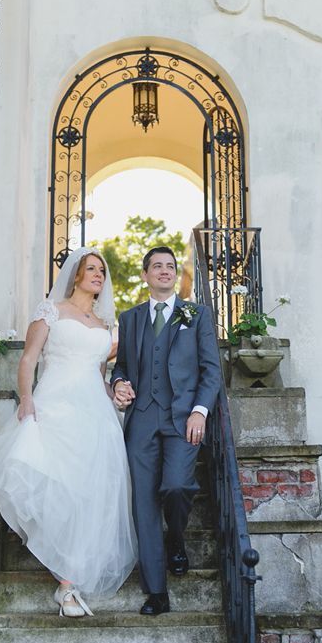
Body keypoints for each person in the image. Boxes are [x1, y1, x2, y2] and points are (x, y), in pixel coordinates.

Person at [0, 248, 138, 617]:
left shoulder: (103, 325)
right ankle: (63, 580)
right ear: (76, 274)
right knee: (56, 490)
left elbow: (99, 377)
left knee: (89, 496)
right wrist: (26, 399)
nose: (99, 274)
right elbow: (29, 359)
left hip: (95, 415)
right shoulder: (50, 311)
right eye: (91, 269)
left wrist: (118, 395)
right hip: (54, 405)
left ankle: (67, 586)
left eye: (102, 270)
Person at [110, 247, 221, 616]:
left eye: (170, 266)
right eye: (156, 266)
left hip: (183, 419)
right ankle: (156, 592)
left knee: (176, 486)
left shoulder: (197, 314)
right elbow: (122, 365)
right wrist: (120, 383)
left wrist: (200, 411)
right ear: (145, 275)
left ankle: (176, 539)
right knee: (143, 503)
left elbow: (211, 369)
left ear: (175, 275)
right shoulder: (131, 318)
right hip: (141, 420)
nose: (164, 271)